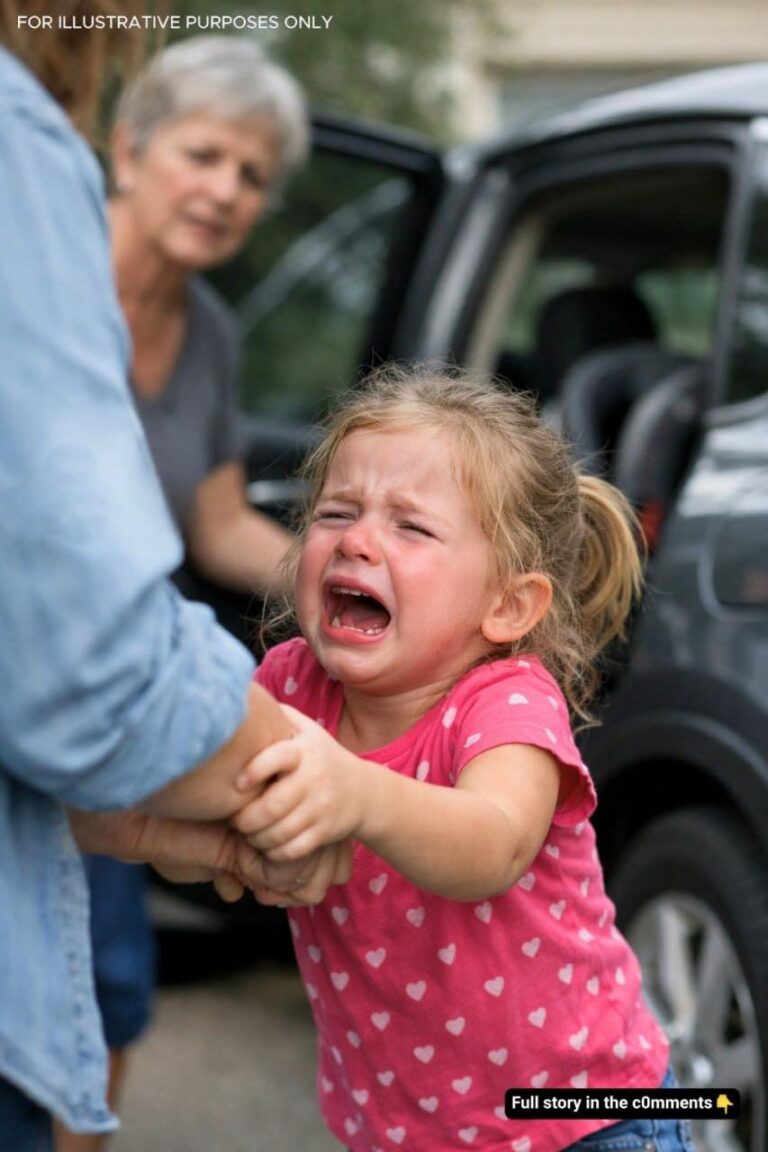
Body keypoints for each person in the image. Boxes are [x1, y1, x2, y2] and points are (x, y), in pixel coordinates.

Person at [0, 7, 347, 1150]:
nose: (226, 189)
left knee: (105, 975)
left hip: (98, 704)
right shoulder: (36, 239)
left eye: (252, 175)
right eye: (206, 153)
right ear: (129, 142)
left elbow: (213, 522)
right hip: (75, 691)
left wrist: (346, 575)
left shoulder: (206, 330)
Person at [231, 366, 696, 1152]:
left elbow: (492, 843)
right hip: (407, 1128)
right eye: (336, 511)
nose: (356, 538)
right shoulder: (288, 688)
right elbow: (205, 800)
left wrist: (358, 793)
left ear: (508, 606)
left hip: (584, 1119)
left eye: (411, 528)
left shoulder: (506, 701)